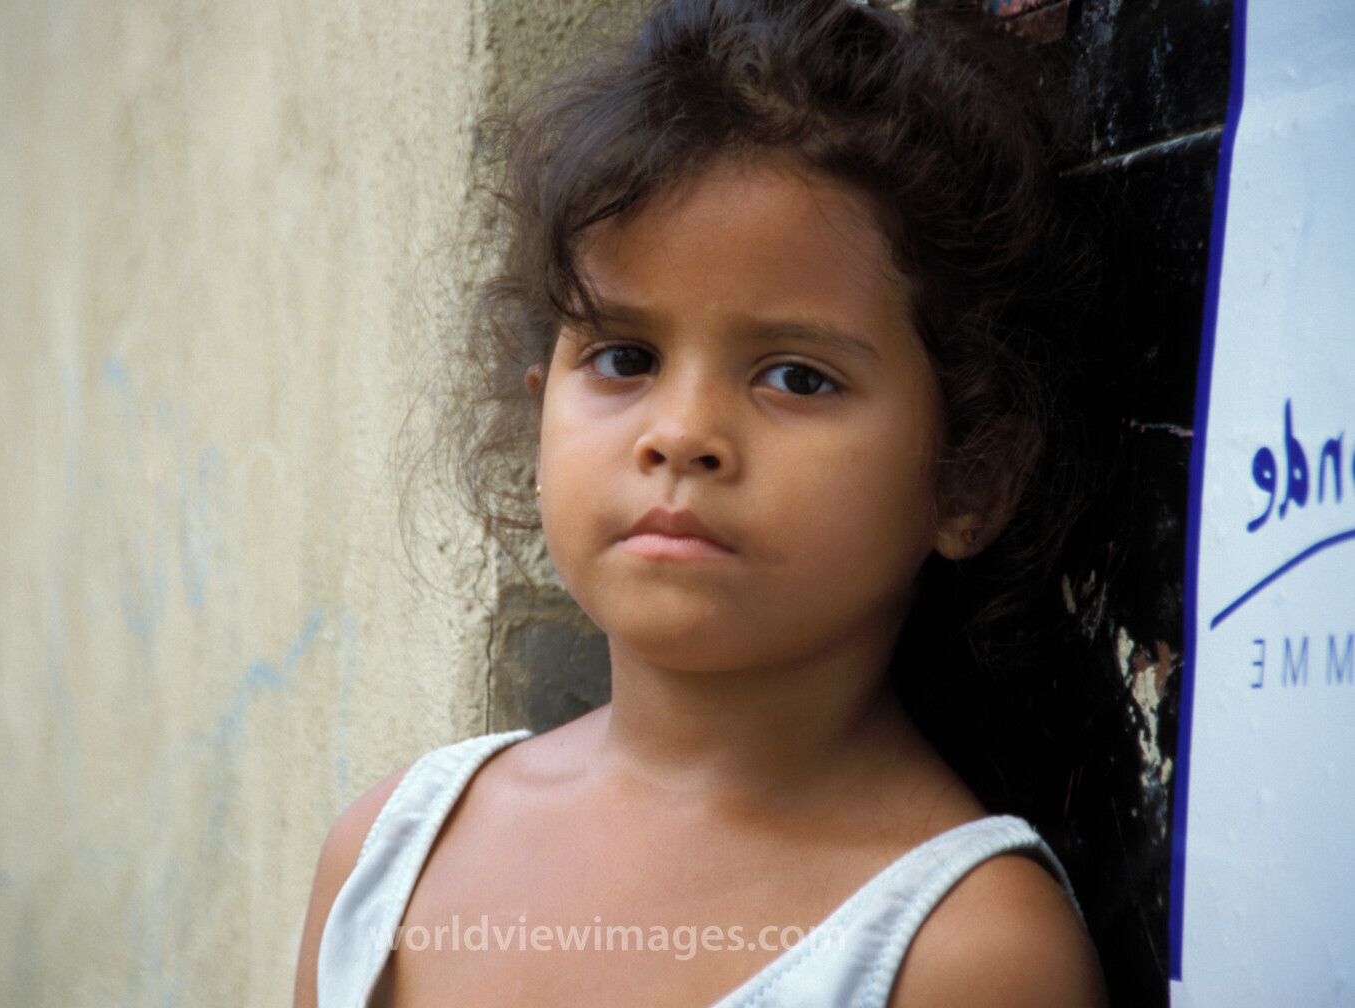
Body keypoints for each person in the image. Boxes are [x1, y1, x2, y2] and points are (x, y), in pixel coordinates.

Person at [295, 0, 1109, 1004]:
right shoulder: (386, 862)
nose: (680, 433)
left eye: (798, 378)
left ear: (969, 478)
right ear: (541, 415)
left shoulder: (964, 949)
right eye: (625, 358)